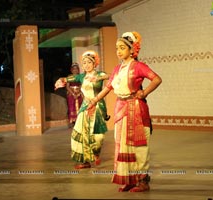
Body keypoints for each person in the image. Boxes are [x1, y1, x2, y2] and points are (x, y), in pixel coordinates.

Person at [87, 31, 162, 192]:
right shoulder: (117, 69)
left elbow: (156, 79)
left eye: (122, 48)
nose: (119, 51)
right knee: (122, 146)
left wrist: (144, 92)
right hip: (121, 110)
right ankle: (129, 179)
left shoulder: (138, 66)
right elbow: (108, 88)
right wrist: (94, 101)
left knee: (138, 147)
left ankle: (142, 180)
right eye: (117, 48)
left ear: (132, 50)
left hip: (136, 110)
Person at [55, 50, 110, 169]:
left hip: (97, 106)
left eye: (89, 62)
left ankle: (95, 152)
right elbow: (69, 78)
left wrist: (98, 78)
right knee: (79, 132)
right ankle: (84, 161)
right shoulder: (82, 76)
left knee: (98, 136)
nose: (86, 65)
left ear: (94, 63)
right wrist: (61, 80)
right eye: (84, 63)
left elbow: (110, 76)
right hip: (85, 106)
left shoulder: (99, 74)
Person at [66, 62, 83, 128]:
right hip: (71, 94)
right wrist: (73, 94)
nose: (75, 70)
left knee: (79, 107)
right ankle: (73, 121)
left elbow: (81, 85)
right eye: (74, 69)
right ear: (71, 70)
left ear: (78, 70)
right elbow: (67, 86)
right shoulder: (69, 77)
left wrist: (79, 92)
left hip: (79, 93)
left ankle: (79, 121)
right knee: (72, 107)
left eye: (76, 69)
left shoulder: (80, 77)